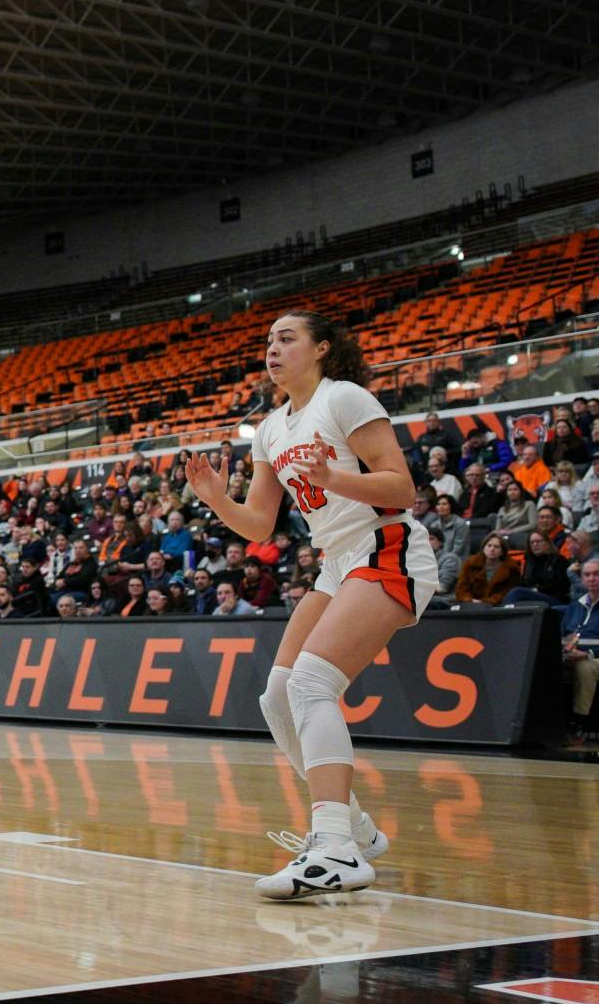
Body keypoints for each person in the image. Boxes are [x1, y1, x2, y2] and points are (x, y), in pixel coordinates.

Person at [185, 311, 435, 900]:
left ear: (322, 348)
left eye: (287, 338)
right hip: (336, 562)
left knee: (311, 685)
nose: (273, 349)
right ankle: (355, 830)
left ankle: (334, 849)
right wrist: (218, 500)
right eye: (269, 341)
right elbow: (258, 526)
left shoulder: (345, 398)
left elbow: (402, 488)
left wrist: (333, 476)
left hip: (387, 546)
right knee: (278, 696)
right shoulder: (272, 428)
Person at [560, 560, 599, 742]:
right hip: (571, 654)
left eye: (596, 574)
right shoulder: (575, 607)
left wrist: (587, 653)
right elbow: (563, 634)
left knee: (585, 667)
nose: (592, 578)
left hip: (593, 657)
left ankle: (580, 721)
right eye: (587, 574)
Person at [455, 533, 518, 605]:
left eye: (496, 547)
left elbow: (506, 593)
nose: (492, 549)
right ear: (483, 548)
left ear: (502, 551)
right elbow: (461, 589)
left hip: (497, 607)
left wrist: (485, 602)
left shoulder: (511, 568)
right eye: (489, 545)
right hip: (471, 605)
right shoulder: (471, 564)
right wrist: (470, 600)